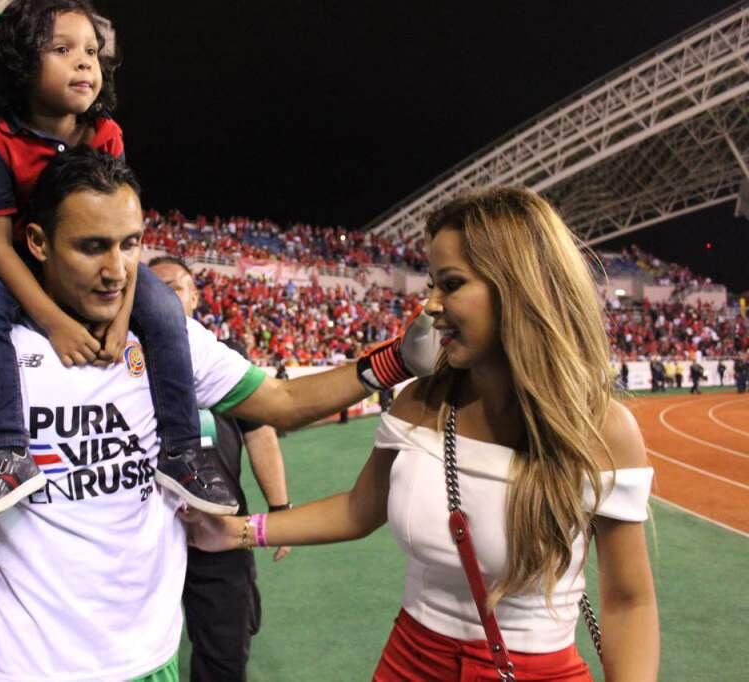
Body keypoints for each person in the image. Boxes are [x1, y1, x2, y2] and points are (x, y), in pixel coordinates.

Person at [0, 150, 440, 681]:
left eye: (130, 245)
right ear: (36, 241)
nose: (117, 270)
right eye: (92, 246)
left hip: (149, 661)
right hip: (27, 670)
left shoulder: (164, 337)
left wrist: (393, 360)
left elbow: (283, 402)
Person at [183, 187, 659, 681]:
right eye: (431, 284)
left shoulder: (603, 430)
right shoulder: (420, 402)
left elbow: (629, 601)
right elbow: (360, 508)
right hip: (407, 663)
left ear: (520, 286)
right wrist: (240, 531)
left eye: (451, 284)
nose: (429, 306)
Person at [0, 0, 231, 524]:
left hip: (89, 261)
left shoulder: (106, 134)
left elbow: (121, 231)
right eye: (62, 49)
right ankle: (7, 453)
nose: (84, 62)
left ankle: (181, 450)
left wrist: (121, 319)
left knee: (164, 309)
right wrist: (55, 322)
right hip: (19, 258)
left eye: (91, 52)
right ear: (20, 63)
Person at [150, 256, 292, 681]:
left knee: (224, 653)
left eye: (173, 288)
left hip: (219, 527)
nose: (162, 299)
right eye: (151, 291)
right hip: (147, 534)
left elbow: (260, 433)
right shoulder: (119, 361)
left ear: (195, 296)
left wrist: (279, 510)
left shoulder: (224, 357)